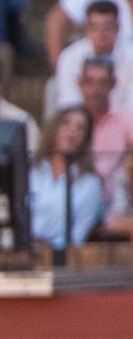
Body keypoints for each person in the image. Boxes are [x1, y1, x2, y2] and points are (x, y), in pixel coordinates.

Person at [29, 107, 102, 252]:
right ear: (55, 128)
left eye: (80, 128)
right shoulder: (31, 170)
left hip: (59, 259)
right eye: (66, 123)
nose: (72, 130)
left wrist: (49, 247)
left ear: (85, 138)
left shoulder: (90, 184)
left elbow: (78, 235)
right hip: (20, 252)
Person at [51, 0, 133, 118]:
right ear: (86, 29)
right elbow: (69, 101)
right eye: (94, 28)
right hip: (81, 124)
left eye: (107, 28)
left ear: (118, 28)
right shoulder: (70, 56)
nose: (101, 34)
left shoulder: (130, 56)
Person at [71, 55, 133, 205]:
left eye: (102, 82)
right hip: (74, 198)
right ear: (80, 83)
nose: (95, 90)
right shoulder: (68, 123)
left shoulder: (126, 121)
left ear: (112, 84)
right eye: (89, 82)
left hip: (115, 201)